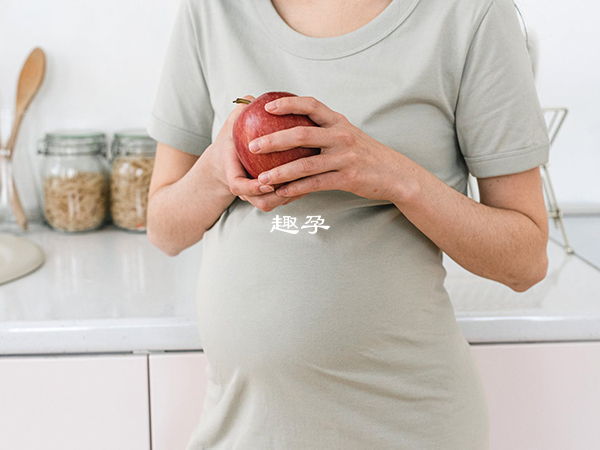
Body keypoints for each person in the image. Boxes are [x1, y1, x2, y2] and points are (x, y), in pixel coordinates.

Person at [146, 0, 550, 448]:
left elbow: (525, 261)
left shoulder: (471, 15)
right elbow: (164, 231)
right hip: (241, 430)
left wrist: (397, 177)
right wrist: (217, 170)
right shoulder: (212, 11)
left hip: (407, 429)